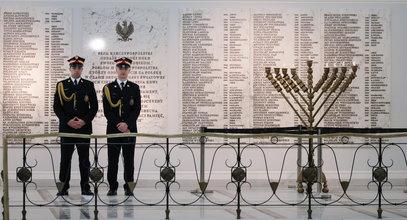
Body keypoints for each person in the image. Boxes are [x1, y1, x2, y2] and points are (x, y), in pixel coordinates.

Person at [53, 56, 98, 196]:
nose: (76, 70)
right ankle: (63, 187)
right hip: (67, 129)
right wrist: (68, 121)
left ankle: (86, 187)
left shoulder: (88, 85)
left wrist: (84, 121)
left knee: (84, 159)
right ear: (70, 69)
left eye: (79, 67)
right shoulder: (61, 84)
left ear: (82, 69)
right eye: (74, 67)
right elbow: (57, 107)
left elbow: (94, 107)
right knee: (65, 159)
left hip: (83, 129)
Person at [103, 57, 141, 196]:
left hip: (129, 130)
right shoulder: (108, 88)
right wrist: (119, 124)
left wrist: (127, 125)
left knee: (129, 159)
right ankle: (112, 186)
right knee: (112, 160)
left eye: (125, 68)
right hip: (113, 130)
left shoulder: (135, 88)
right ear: (116, 69)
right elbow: (107, 111)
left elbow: (137, 109)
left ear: (129, 70)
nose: (123, 70)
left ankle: (128, 186)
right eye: (120, 68)